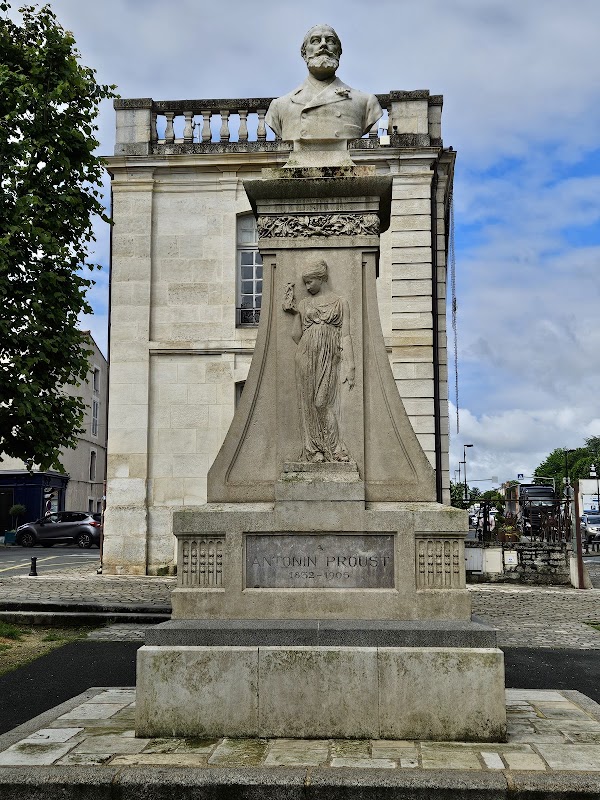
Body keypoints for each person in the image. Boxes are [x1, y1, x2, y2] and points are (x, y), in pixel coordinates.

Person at [266, 24, 382, 159]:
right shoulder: (280, 106)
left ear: (339, 52)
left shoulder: (366, 102)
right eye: (315, 41)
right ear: (304, 53)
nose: (323, 45)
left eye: (330, 41)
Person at [286, 260, 354, 463]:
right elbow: (295, 335)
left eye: (310, 281)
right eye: (305, 283)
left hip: (329, 356)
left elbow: (346, 335)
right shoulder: (304, 304)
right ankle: (315, 450)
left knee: (322, 402)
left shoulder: (340, 302)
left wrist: (350, 365)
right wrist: (295, 312)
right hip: (306, 355)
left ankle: (335, 448)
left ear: (322, 278)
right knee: (308, 403)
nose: (307, 286)